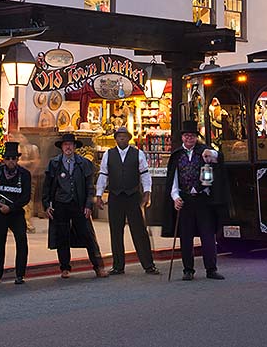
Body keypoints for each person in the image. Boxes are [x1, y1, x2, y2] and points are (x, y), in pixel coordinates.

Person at [161, 120, 226, 281]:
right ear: (182, 137)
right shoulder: (177, 156)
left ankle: (211, 269)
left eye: (192, 136)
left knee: (208, 236)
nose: (189, 138)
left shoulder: (204, 151)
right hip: (185, 201)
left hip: (203, 200)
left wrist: (212, 154)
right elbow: (173, 181)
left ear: (196, 137)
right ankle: (188, 269)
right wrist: (175, 198)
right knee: (186, 236)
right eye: (186, 135)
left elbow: (219, 156)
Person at [96, 126, 159, 276]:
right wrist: (99, 194)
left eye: (124, 136)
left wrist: (147, 192)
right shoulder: (108, 154)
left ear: (129, 138)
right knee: (115, 232)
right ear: (115, 139)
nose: (122, 138)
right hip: (115, 196)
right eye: (119, 136)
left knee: (139, 231)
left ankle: (148, 265)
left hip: (132, 196)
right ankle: (118, 266)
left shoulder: (138, 154)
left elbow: (144, 174)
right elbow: (103, 174)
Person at [42, 132, 106, 278]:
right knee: (62, 236)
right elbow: (47, 186)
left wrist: (89, 205)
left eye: (70, 144)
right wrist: (46, 205)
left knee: (88, 235)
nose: (68, 147)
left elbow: (90, 186)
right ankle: (64, 267)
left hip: (78, 204)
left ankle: (98, 266)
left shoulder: (84, 163)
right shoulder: (55, 163)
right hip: (60, 204)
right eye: (65, 145)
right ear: (62, 147)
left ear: (75, 146)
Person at [0, 141, 31, 285]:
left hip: (16, 212)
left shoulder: (24, 174)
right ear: (4, 159)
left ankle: (20, 274)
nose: (11, 161)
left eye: (13, 158)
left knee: (22, 242)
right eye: (8, 159)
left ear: (17, 159)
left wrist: (11, 208)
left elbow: (26, 197)